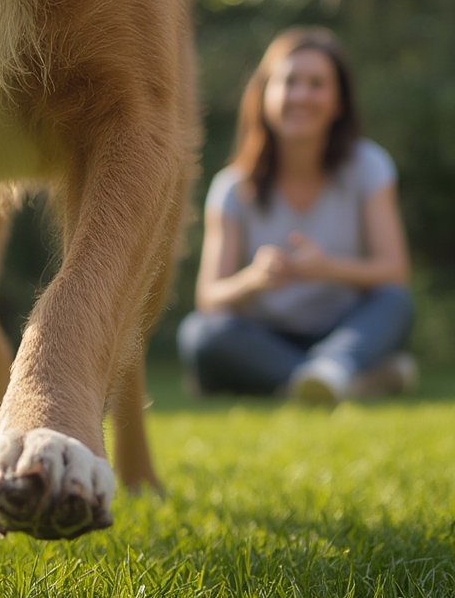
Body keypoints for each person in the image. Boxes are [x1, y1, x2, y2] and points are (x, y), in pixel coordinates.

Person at [177, 26, 416, 404]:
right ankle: (344, 378)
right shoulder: (232, 188)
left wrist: (325, 269)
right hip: (265, 335)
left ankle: (328, 370)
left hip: (344, 326)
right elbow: (210, 297)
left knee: (395, 303)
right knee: (200, 335)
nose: (301, 95)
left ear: (338, 101)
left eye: (316, 84)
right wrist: (254, 280)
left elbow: (394, 271)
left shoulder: (369, 166)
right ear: (265, 96)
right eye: (289, 82)